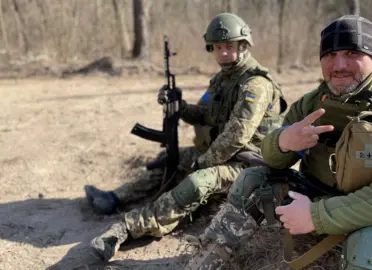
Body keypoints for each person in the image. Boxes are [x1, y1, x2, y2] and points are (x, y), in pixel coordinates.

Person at [185, 14, 372, 270]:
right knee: (252, 180)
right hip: (320, 195)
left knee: (371, 245)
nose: (339, 65)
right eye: (330, 56)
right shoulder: (314, 101)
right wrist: (282, 142)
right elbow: (271, 155)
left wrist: (317, 216)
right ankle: (204, 262)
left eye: (352, 53)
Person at [86, 12, 287, 262]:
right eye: (218, 47)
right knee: (168, 160)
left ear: (243, 46)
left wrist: (204, 162)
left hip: (247, 165)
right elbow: (203, 114)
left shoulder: (255, 85)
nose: (223, 52)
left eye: (229, 46)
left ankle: (126, 229)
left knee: (197, 182)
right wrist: (179, 106)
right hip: (220, 153)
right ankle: (116, 197)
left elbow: (237, 134)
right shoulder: (221, 80)